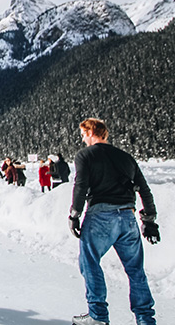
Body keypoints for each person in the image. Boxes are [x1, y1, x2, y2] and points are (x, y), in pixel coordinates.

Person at [68, 118, 160, 325]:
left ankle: (98, 316)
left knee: (89, 262)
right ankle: (145, 319)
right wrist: (149, 220)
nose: (82, 138)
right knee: (135, 269)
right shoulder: (126, 157)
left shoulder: (85, 155)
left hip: (100, 216)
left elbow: (80, 186)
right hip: (127, 217)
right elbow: (144, 189)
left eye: (83, 134)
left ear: (92, 132)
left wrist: (74, 215)